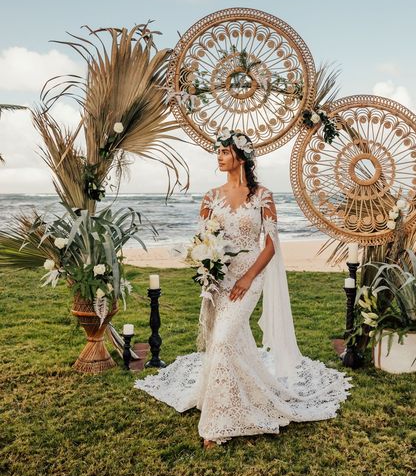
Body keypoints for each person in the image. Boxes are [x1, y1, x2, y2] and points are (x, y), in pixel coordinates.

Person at [134, 129, 352, 448]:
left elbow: (270, 245)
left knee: (222, 341)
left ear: (241, 156)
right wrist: (207, 265)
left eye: (224, 152)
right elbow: (203, 241)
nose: (219, 157)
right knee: (229, 341)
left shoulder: (262, 196)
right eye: (218, 153)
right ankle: (242, 393)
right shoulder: (210, 197)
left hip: (250, 276)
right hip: (221, 279)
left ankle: (217, 425)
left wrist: (248, 277)